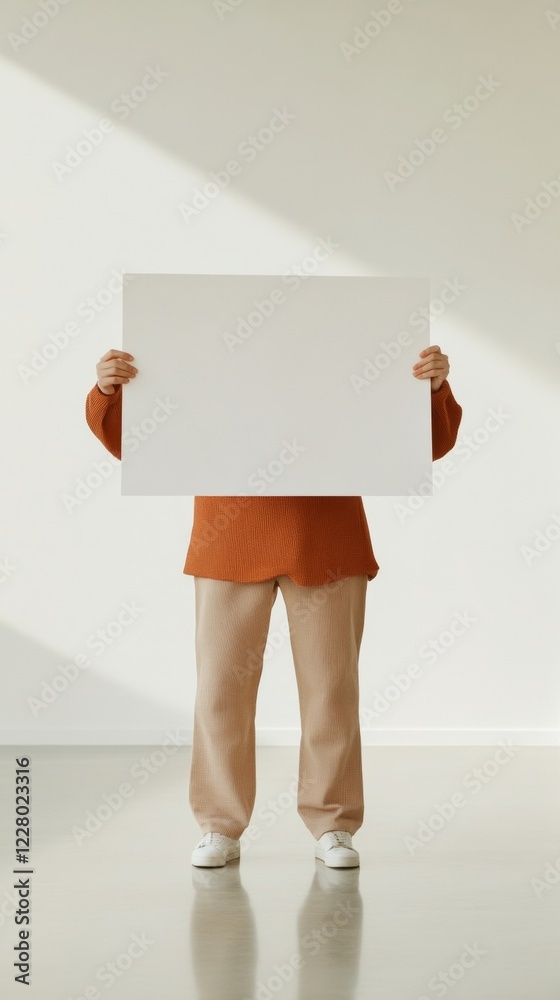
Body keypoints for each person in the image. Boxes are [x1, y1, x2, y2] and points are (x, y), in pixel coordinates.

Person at [85, 345, 462, 868]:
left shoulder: (351, 350)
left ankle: (333, 823)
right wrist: (108, 391)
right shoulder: (207, 351)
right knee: (221, 690)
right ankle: (219, 823)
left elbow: (425, 445)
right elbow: (147, 444)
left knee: (331, 688)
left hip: (327, 536)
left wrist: (433, 389)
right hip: (229, 536)